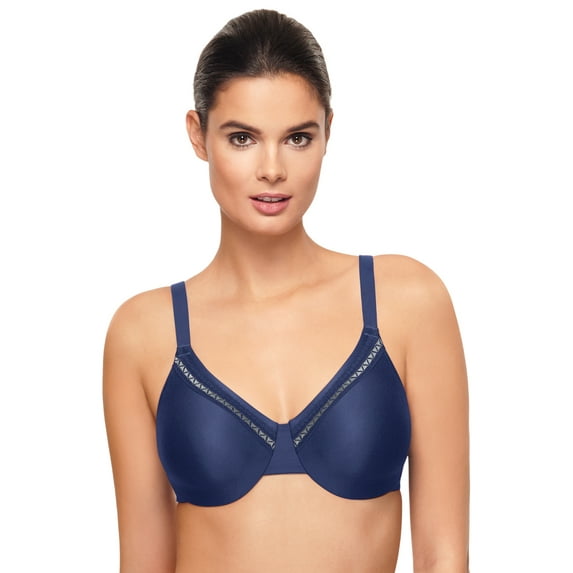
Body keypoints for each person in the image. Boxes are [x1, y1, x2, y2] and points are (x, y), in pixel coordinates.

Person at [103, 9, 469, 573]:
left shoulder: (408, 302)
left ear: (328, 132)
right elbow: (143, 564)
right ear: (198, 135)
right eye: (242, 138)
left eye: (298, 138)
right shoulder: (143, 333)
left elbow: (445, 557)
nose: (272, 169)